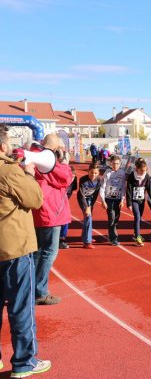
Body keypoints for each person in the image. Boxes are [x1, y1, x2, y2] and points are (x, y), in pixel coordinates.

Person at [0, 126, 52, 377]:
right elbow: (35, 200)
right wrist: (29, 175)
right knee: (21, 308)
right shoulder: (10, 171)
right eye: (8, 141)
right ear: (2, 146)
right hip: (14, 250)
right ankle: (24, 362)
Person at [31, 134, 73, 306]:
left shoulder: (32, 157)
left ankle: (30, 288)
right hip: (50, 213)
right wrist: (62, 161)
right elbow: (66, 177)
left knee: (36, 253)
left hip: (37, 212)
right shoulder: (48, 161)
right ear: (54, 149)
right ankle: (40, 291)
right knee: (48, 252)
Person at [126, 158, 151, 246]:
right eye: (141, 170)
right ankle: (138, 237)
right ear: (136, 169)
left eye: (145, 170)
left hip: (141, 200)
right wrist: (129, 203)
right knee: (137, 217)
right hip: (134, 200)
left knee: (140, 218)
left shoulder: (146, 176)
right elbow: (128, 190)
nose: (143, 172)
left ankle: (136, 233)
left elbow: (149, 190)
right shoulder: (132, 176)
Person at [99, 155, 127, 246]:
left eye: (117, 164)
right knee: (111, 218)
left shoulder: (122, 173)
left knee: (116, 219)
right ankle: (113, 238)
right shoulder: (107, 173)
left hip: (118, 199)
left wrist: (122, 199)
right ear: (110, 163)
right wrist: (103, 200)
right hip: (109, 199)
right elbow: (102, 187)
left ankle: (111, 232)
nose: (115, 166)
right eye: (114, 164)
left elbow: (123, 187)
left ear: (120, 164)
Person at [77, 163, 101, 249]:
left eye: (95, 173)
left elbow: (95, 194)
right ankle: (87, 242)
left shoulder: (98, 181)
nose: (93, 175)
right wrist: (86, 207)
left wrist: (91, 205)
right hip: (82, 199)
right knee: (88, 216)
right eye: (91, 173)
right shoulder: (83, 180)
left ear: (98, 173)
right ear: (88, 171)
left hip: (90, 200)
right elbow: (81, 194)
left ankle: (86, 236)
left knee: (88, 218)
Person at [59, 165, 78, 249]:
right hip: (57, 202)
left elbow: (71, 191)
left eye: (73, 176)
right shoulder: (61, 180)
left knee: (66, 220)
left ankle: (62, 239)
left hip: (65, 201)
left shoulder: (74, 181)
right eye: (70, 176)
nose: (71, 178)